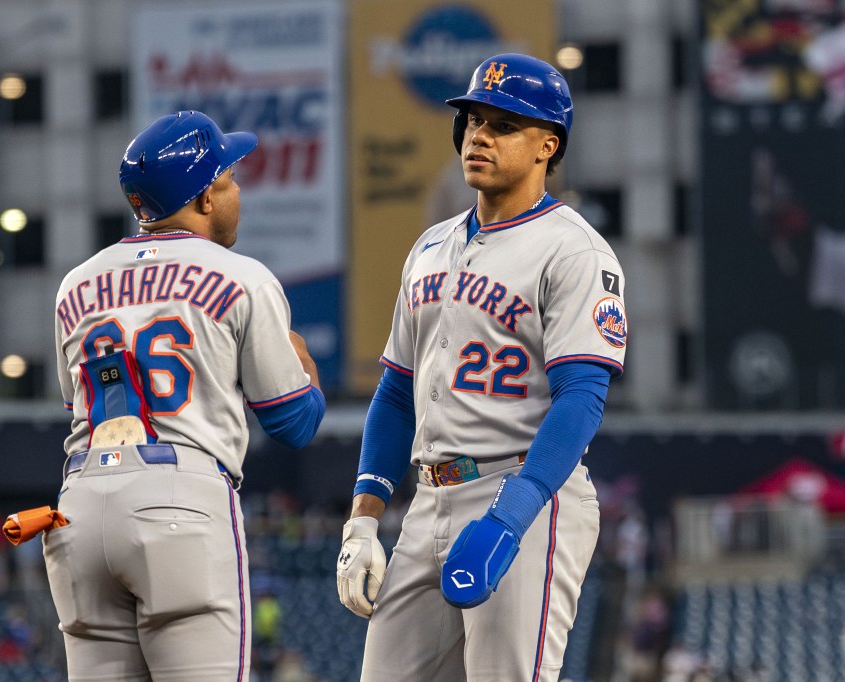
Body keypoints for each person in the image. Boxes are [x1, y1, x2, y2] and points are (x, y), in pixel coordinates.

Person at [336, 54, 628, 681]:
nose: (479, 135)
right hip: (426, 501)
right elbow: (394, 393)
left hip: (522, 491)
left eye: (504, 124)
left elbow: (582, 396)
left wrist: (511, 515)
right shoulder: (430, 244)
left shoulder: (572, 248)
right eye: (473, 120)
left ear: (548, 145)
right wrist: (362, 519)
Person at [46, 110, 325, 681]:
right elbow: (295, 424)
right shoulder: (241, 275)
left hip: (77, 507)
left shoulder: (76, 283)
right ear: (202, 199)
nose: (237, 192)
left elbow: (73, 406)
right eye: (227, 180)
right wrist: (303, 361)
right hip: (179, 500)